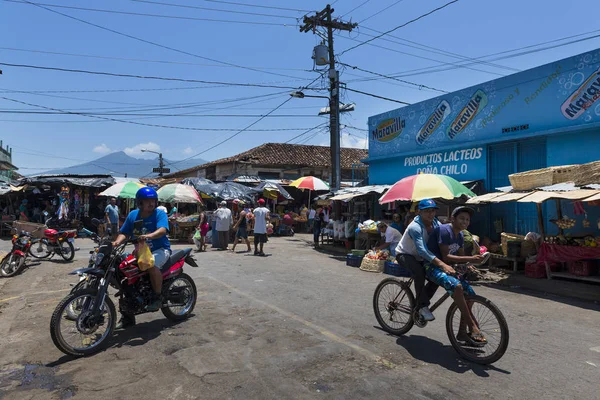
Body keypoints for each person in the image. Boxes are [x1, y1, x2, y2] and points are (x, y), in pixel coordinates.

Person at [425, 206, 487, 344]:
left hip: (449, 268)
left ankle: (462, 333)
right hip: (433, 266)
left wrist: (471, 263)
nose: (465, 222)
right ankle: (472, 325)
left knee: (469, 294)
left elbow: (461, 256)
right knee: (457, 287)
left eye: (467, 219)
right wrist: (471, 259)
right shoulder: (444, 230)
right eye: (462, 218)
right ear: (453, 219)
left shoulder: (460, 235)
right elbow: (446, 257)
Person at [113, 187, 170, 328]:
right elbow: (124, 232)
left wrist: (148, 236)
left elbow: (163, 230)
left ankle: (157, 296)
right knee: (124, 275)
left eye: (153, 201)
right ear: (140, 203)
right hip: (141, 252)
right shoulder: (133, 215)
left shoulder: (159, 214)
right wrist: (116, 242)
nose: (151, 204)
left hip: (160, 250)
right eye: (147, 201)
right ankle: (127, 316)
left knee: (151, 265)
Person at [395, 199, 452, 322]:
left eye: (432, 211)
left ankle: (419, 303)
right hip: (405, 254)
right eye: (427, 211)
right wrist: (442, 263)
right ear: (419, 212)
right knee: (419, 273)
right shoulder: (415, 227)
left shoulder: (436, 224)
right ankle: (422, 306)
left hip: (422, 257)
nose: (430, 214)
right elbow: (422, 251)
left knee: (437, 276)